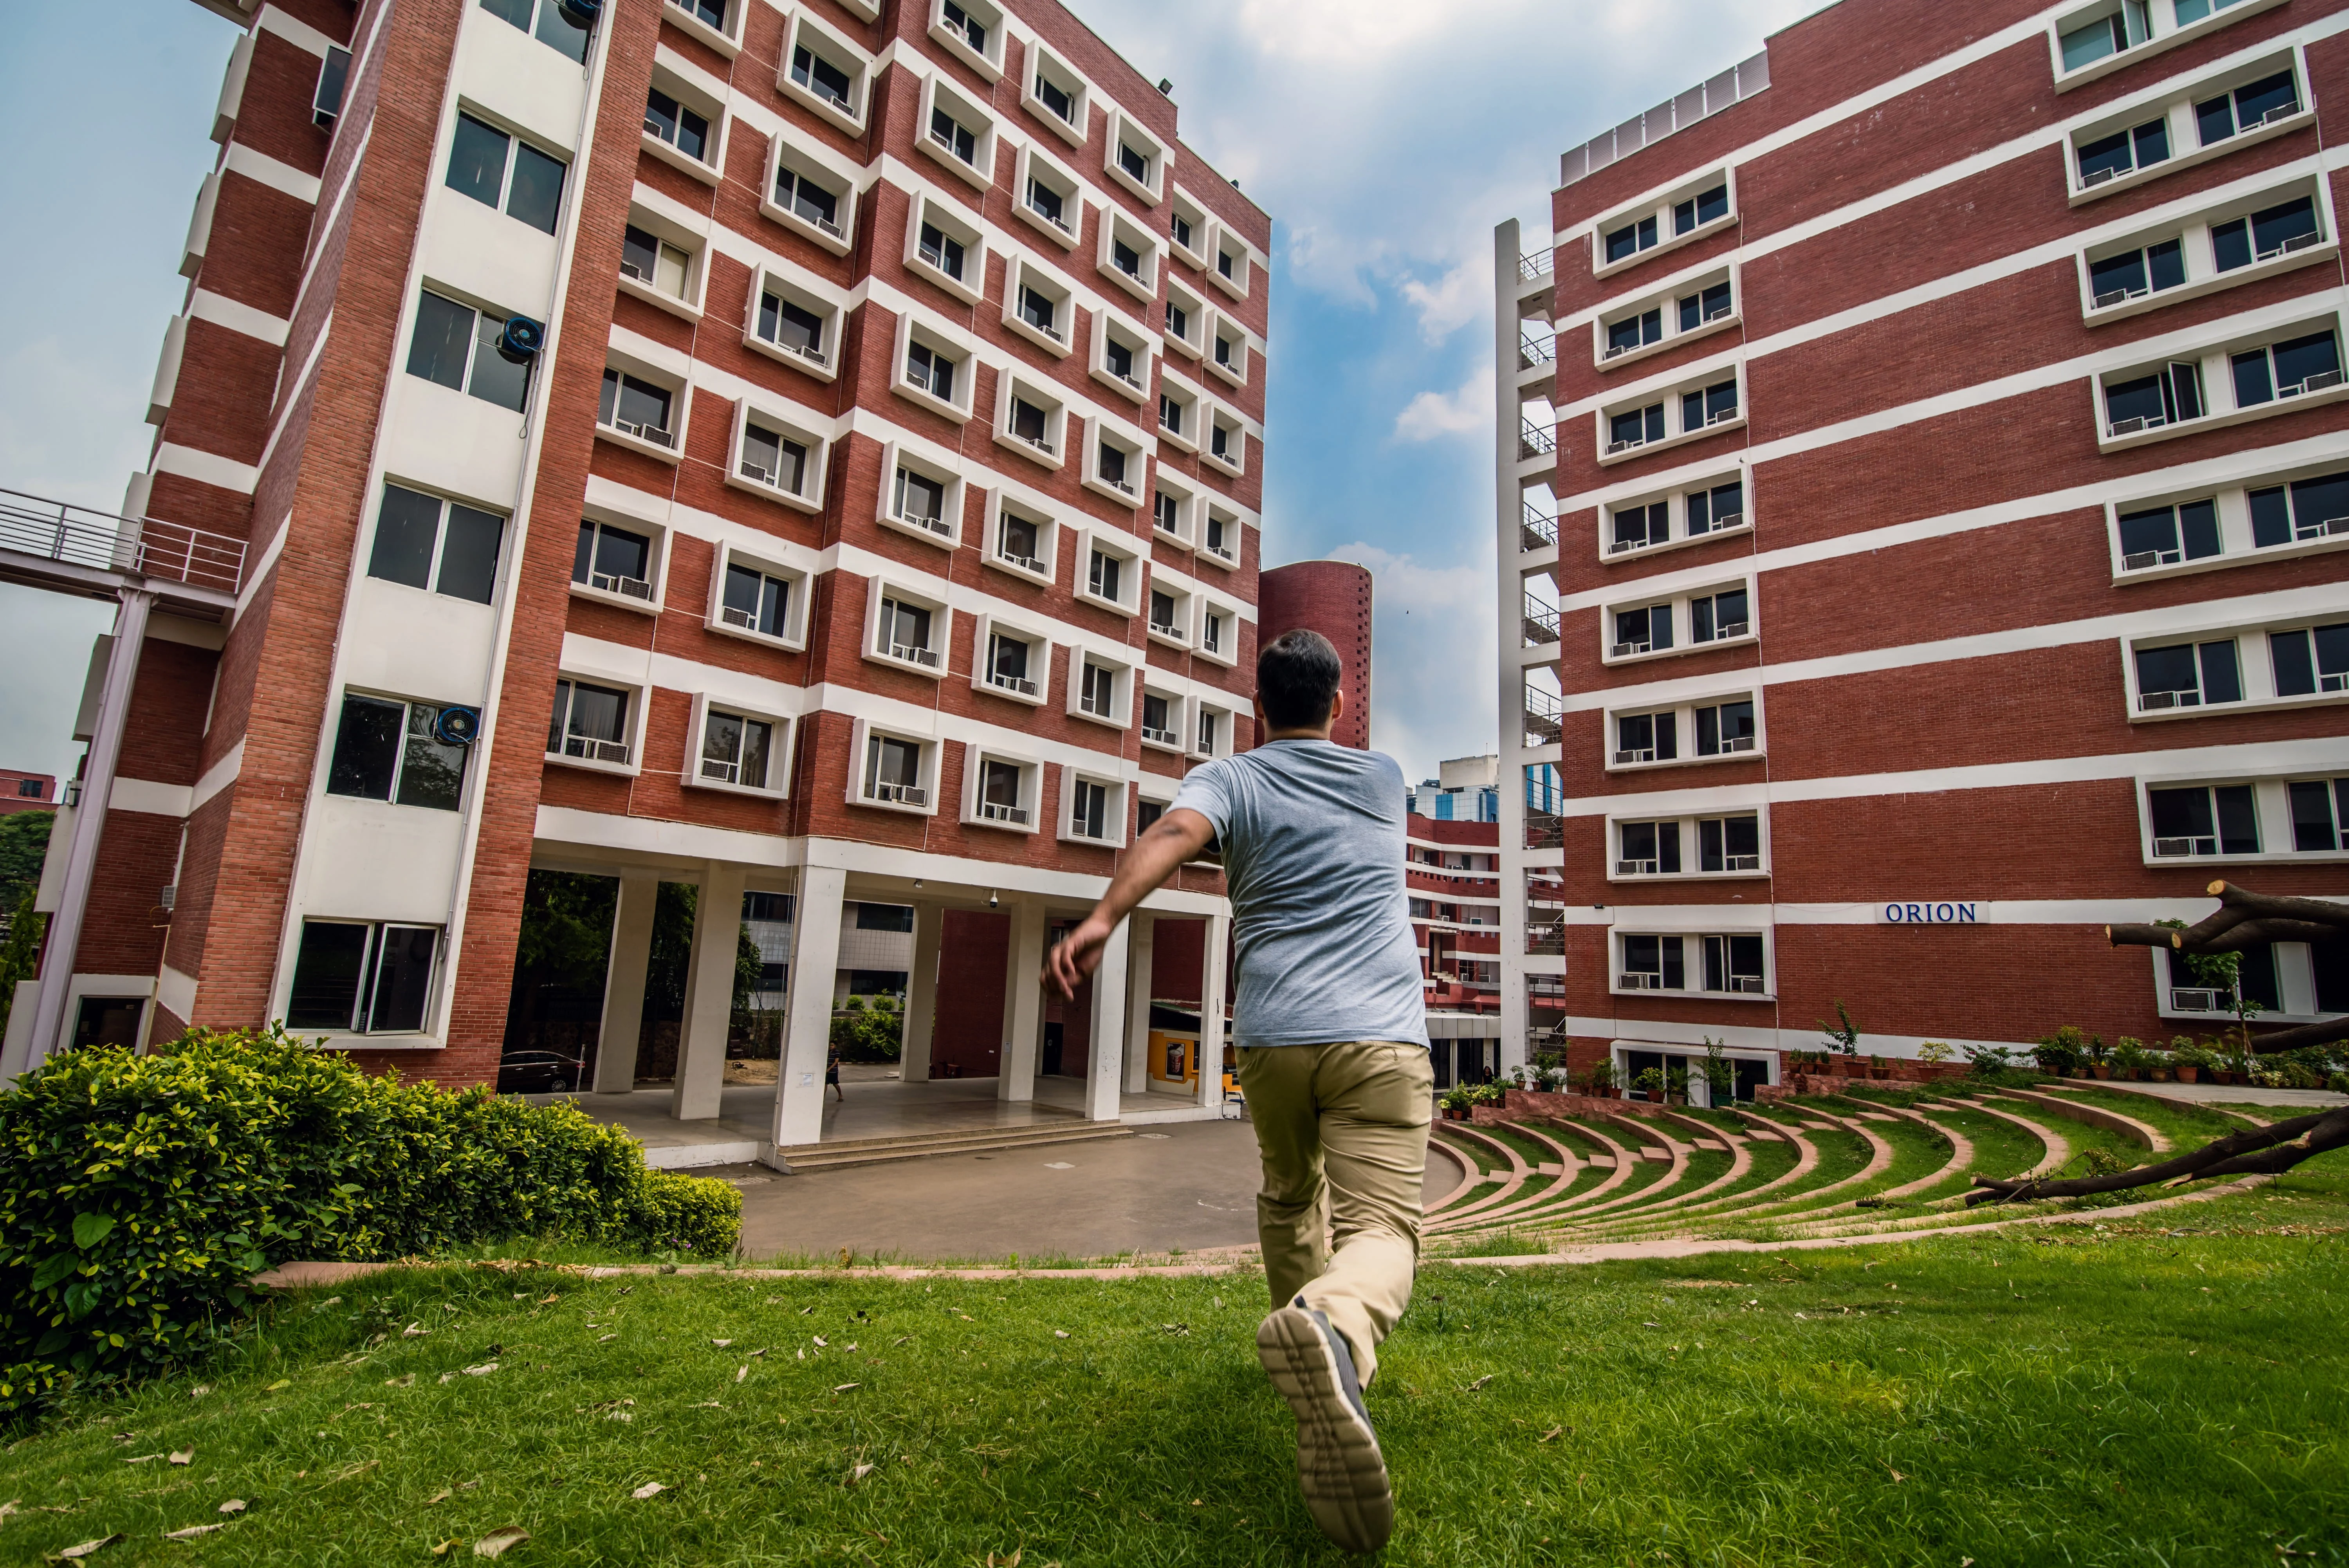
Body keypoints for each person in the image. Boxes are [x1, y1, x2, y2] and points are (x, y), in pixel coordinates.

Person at [1043, 628, 1430, 1554]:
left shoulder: (1233, 778)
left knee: (1291, 1195)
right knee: (1382, 1229)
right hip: (1379, 1036)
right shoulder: (1383, 779)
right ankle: (1334, 1325)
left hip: (1271, 1036)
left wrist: (1102, 919)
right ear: (1338, 702)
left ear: (1261, 707)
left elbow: (1175, 834)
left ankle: (1323, 1354)